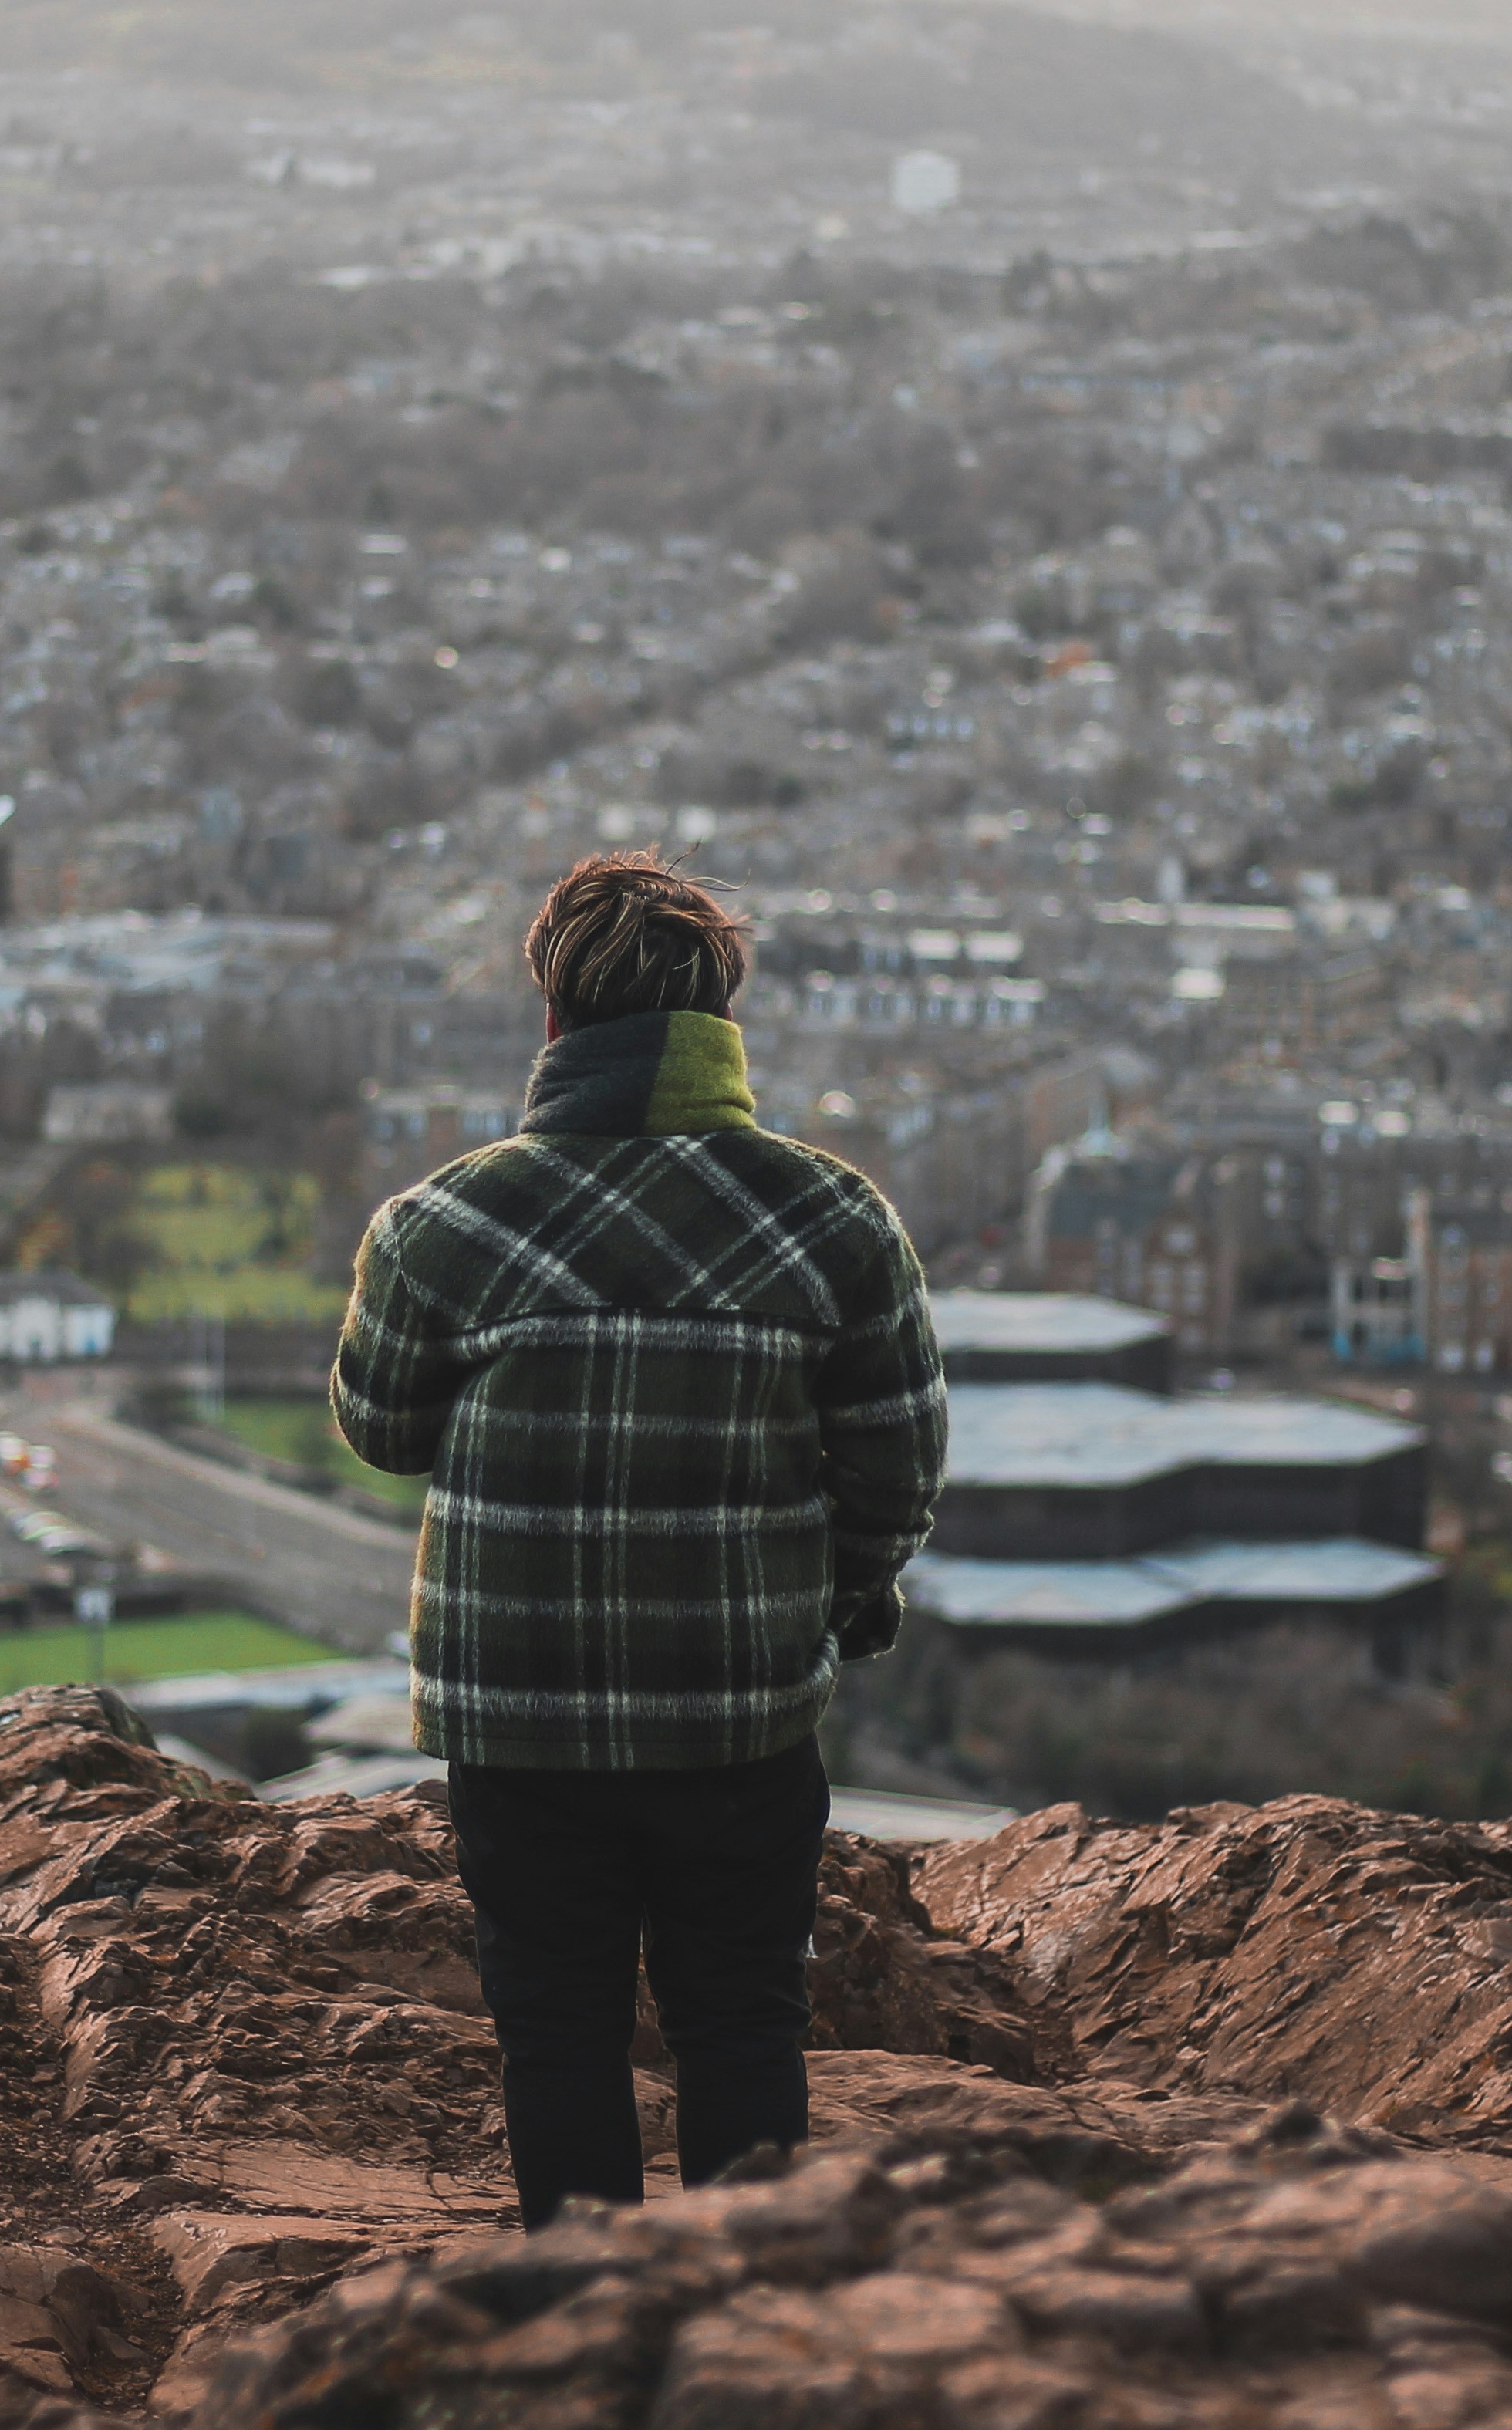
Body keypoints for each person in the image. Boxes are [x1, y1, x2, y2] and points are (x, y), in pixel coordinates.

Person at [329, 850, 948, 2228]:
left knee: (555, 2029)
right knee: (741, 2025)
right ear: (724, 1024)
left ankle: (580, 2314)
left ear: (553, 1025)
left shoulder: (441, 1223)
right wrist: (831, 1604)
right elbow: (898, 1468)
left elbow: (380, 1426)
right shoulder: (832, 1217)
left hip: (519, 1718)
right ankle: (747, 2318)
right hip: (739, 1710)